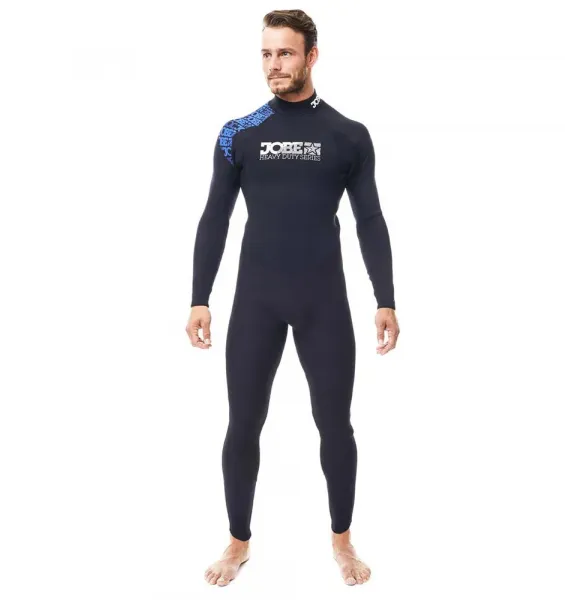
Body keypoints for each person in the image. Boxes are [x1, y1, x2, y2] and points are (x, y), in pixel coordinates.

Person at [186, 9, 400, 587]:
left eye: (284, 53)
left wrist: (385, 297)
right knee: (242, 424)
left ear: (311, 56)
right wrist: (200, 296)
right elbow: (215, 217)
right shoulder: (238, 132)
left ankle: (342, 542)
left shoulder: (348, 134)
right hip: (256, 300)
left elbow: (370, 219)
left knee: (335, 424)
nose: (273, 65)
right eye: (266, 53)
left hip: (322, 302)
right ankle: (238, 542)